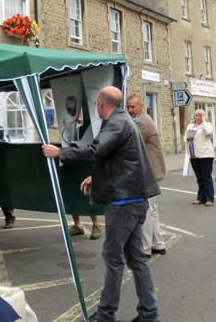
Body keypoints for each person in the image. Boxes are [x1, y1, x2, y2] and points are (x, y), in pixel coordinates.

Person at [42, 86, 160, 322]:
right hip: (135, 200)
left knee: (113, 259)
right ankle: (149, 313)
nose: (95, 106)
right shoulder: (125, 121)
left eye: (96, 103)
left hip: (124, 203)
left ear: (102, 103)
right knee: (136, 259)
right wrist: (96, 177)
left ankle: (106, 316)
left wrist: (60, 152)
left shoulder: (117, 123)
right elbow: (121, 159)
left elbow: (95, 151)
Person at [127, 94, 167, 258]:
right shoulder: (140, 120)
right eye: (128, 107)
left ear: (141, 106)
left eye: (133, 107)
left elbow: (131, 145)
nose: (130, 110)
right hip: (151, 170)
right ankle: (158, 244)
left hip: (148, 171)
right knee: (151, 209)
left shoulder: (142, 122)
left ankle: (145, 247)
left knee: (145, 210)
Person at [185, 109, 215, 206]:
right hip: (194, 155)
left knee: (206, 177)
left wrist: (204, 122)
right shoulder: (190, 126)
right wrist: (187, 138)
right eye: (196, 115)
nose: (198, 117)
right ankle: (200, 198)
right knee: (199, 178)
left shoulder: (207, 125)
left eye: (200, 115)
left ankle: (209, 198)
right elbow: (185, 137)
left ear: (203, 116)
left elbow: (209, 133)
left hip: (205, 155)